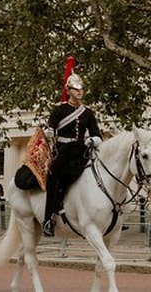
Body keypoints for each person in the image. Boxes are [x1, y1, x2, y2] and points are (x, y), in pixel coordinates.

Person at [42, 67, 102, 237]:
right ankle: (49, 218)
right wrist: (50, 131)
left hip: (82, 151)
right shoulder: (59, 110)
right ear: (68, 91)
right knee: (54, 177)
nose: (79, 92)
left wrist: (92, 140)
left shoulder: (88, 113)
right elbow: (51, 128)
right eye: (75, 89)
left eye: (81, 88)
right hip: (63, 151)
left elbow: (96, 134)